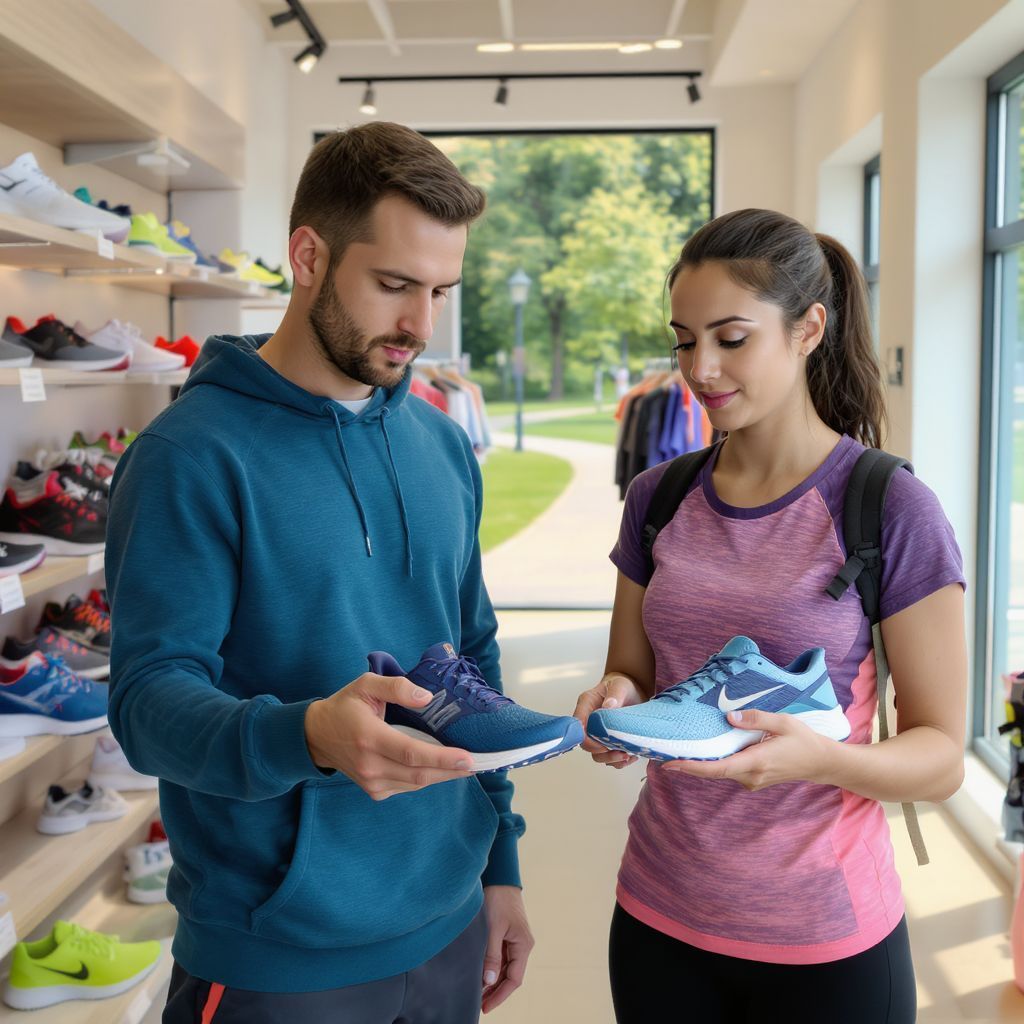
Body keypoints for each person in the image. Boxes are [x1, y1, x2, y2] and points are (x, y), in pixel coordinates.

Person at [106, 122, 532, 1024]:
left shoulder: (441, 445)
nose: (421, 324)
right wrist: (308, 736)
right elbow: (147, 703)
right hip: (278, 955)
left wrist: (500, 866)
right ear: (308, 255)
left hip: (449, 919)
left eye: (441, 291)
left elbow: (475, 662)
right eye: (394, 285)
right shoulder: (190, 455)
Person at [573, 208, 966, 1024]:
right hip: (659, 912)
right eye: (684, 340)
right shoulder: (660, 498)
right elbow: (634, 674)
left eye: (731, 337)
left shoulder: (890, 506)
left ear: (808, 329)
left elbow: (940, 758)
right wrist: (613, 702)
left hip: (825, 940)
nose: (701, 367)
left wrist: (815, 761)